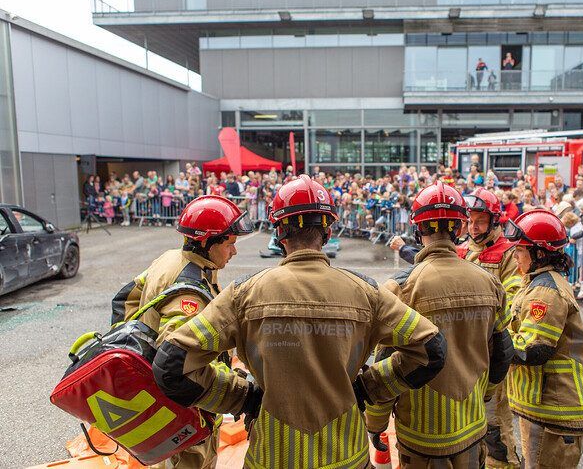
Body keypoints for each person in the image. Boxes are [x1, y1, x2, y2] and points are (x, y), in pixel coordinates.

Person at [153, 175, 447, 468]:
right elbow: (430, 348)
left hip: (271, 458)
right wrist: (369, 388)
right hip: (348, 457)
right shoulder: (366, 293)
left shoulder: (242, 294)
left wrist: (242, 398)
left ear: (279, 233)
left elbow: (172, 364)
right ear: (328, 231)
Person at [366, 181, 512, 467]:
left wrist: (376, 422)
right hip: (471, 426)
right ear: (459, 228)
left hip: (421, 434)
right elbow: (503, 351)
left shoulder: (400, 288)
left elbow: (385, 362)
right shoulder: (490, 283)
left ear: (418, 230)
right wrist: (485, 395)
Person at [113, 195, 251, 468]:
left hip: (160, 396)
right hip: (187, 405)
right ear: (206, 242)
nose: (234, 252)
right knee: (195, 460)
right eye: (229, 244)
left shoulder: (171, 259)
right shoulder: (190, 288)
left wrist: (139, 355)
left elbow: (125, 299)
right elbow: (178, 360)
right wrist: (229, 387)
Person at [503, 210, 583, 468]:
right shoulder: (538, 281)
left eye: (520, 251)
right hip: (548, 405)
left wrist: (490, 338)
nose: (515, 257)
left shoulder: (544, 291)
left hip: (557, 407)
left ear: (539, 254)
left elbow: (533, 350)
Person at [457, 188, 522, 467]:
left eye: (480, 221)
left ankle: (505, 463)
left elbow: (515, 300)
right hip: (463, 350)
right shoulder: (461, 250)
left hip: (492, 349)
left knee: (494, 424)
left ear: (495, 221)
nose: (474, 227)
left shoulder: (508, 254)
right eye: (470, 221)